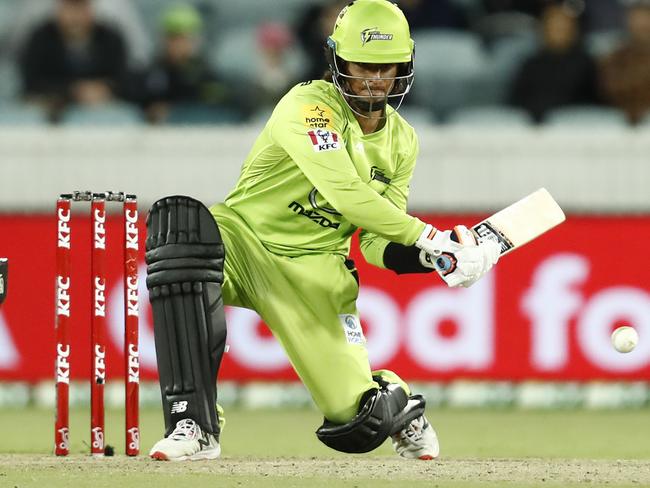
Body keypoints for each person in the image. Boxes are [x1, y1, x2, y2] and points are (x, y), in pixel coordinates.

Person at [144, 0, 501, 462]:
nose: (373, 78)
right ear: (338, 60)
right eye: (362, 65)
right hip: (242, 239)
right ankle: (194, 426)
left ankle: (398, 401)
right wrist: (429, 237)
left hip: (316, 274)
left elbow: (374, 242)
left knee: (359, 424)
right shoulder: (308, 107)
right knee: (181, 232)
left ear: (403, 65)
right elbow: (346, 193)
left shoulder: (402, 142)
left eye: (384, 67)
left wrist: (437, 258)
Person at [18, 0, 128, 121]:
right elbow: (31, 82)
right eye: (69, 9)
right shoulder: (41, 38)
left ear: (91, 10)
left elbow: (124, 79)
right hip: (54, 108)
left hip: (103, 109)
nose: (75, 17)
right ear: (59, 10)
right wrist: (74, 91)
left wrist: (106, 89)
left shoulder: (110, 38)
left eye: (81, 9)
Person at [131, 4, 239, 124]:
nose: (178, 45)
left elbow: (214, 102)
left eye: (183, 38)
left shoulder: (204, 74)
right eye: (173, 38)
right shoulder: (151, 71)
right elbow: (137, 98)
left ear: (195, 41)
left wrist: (174, 110)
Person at [509, 3, 599, 122]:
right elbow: (515, 101)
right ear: (543, 29)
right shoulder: (531, 64)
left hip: (575, 126)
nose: (559, 30)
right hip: (533, 129)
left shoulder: (586, 63)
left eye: (564, 25)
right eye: (554, 25)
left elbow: (592, 102)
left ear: (574, 29)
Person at [598, 0, 650, 124]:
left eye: (645, 19)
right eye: (636, 20)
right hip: (620, 122)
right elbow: (609, 88)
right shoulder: (615, 57)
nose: (641, 25)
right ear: (627, 22)